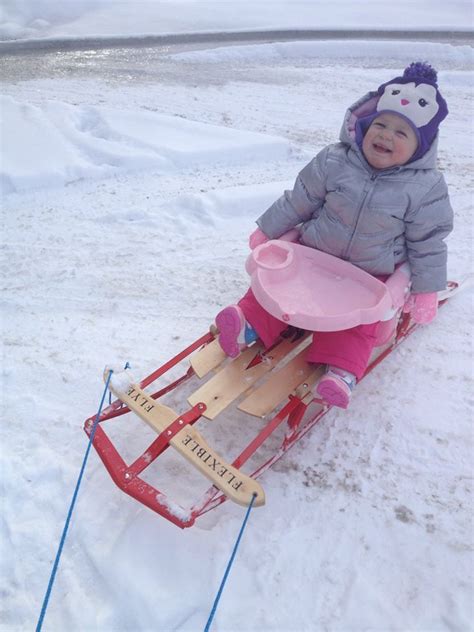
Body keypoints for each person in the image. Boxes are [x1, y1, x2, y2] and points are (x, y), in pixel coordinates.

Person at [215, 62, 453, 409]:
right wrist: (268, 229)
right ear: (364, 126)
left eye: (401, 134)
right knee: (275, 290)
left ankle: (340, 373)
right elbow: (301, 198)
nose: (386, 135)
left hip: (367, 277)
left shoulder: (425, 188)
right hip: (314, 257)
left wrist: (426, 289)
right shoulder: (335, 160)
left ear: (421, 148)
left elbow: (428, 242)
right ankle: (245, 323)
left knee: (358, 324)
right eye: (381, 125)